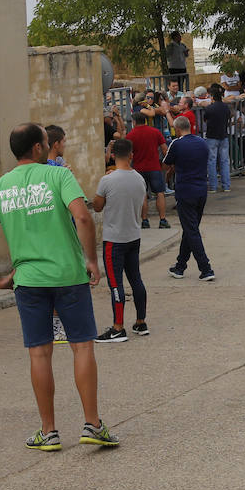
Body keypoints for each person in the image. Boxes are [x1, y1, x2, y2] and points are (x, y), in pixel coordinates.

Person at [0, 123, 117, 451]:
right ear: (37, 148)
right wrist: (91, 260)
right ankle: (92, 424)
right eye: (46, 143)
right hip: (68, 275)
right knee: (82, 347)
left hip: (28, 280)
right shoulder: (58, 176)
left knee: (39, 352)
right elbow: (83, 218)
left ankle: (48, 431)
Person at [92, 138, 151, 342]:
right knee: (136, 279)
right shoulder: (140, 179)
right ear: (132, 155)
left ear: (113, 155)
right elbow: (144, 208)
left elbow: (97, 206)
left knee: (116, 283)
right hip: (133, 236)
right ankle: (140, 321)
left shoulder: (107, 180)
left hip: (114, 239)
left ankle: (118, 327)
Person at [161, 115, 215, 280]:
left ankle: (206, 268)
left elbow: (165, 163)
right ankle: (180, 266)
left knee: (191, 230)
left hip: (185, 190)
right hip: (201, 189)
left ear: (177, 130)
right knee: (190, 229)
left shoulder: (176, 144)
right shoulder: (202, 142)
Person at [128, 113, 170, 229]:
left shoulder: (131, 135)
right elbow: (165, 149)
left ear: (134, 122)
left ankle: (145, 220)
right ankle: (162, 220)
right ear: (145, 121)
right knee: (160, 193)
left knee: (143, 195)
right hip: (155, 167)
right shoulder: (155, 132)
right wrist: (166, 165)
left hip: (138, 169)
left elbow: (128, 154)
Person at [201, 84, 232, 194]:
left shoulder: (209, 108)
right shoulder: (225, 107)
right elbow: (229, 117)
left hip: (212, 136)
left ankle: (213, 187)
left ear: (212, 97)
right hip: (223, 136)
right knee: (224, 161)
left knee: (211, 161)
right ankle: (226, 185)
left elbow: (205, 119)